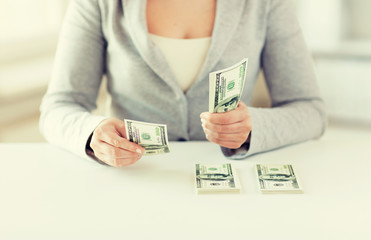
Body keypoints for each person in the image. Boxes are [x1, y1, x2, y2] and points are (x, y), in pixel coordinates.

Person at [40, 0, 327, 167]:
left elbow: (310, 111)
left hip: (230, 193)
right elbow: (59, 108)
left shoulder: (265, 4)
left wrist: (253, 128)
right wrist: (92, 134)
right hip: (136, 182)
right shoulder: (99, 3)